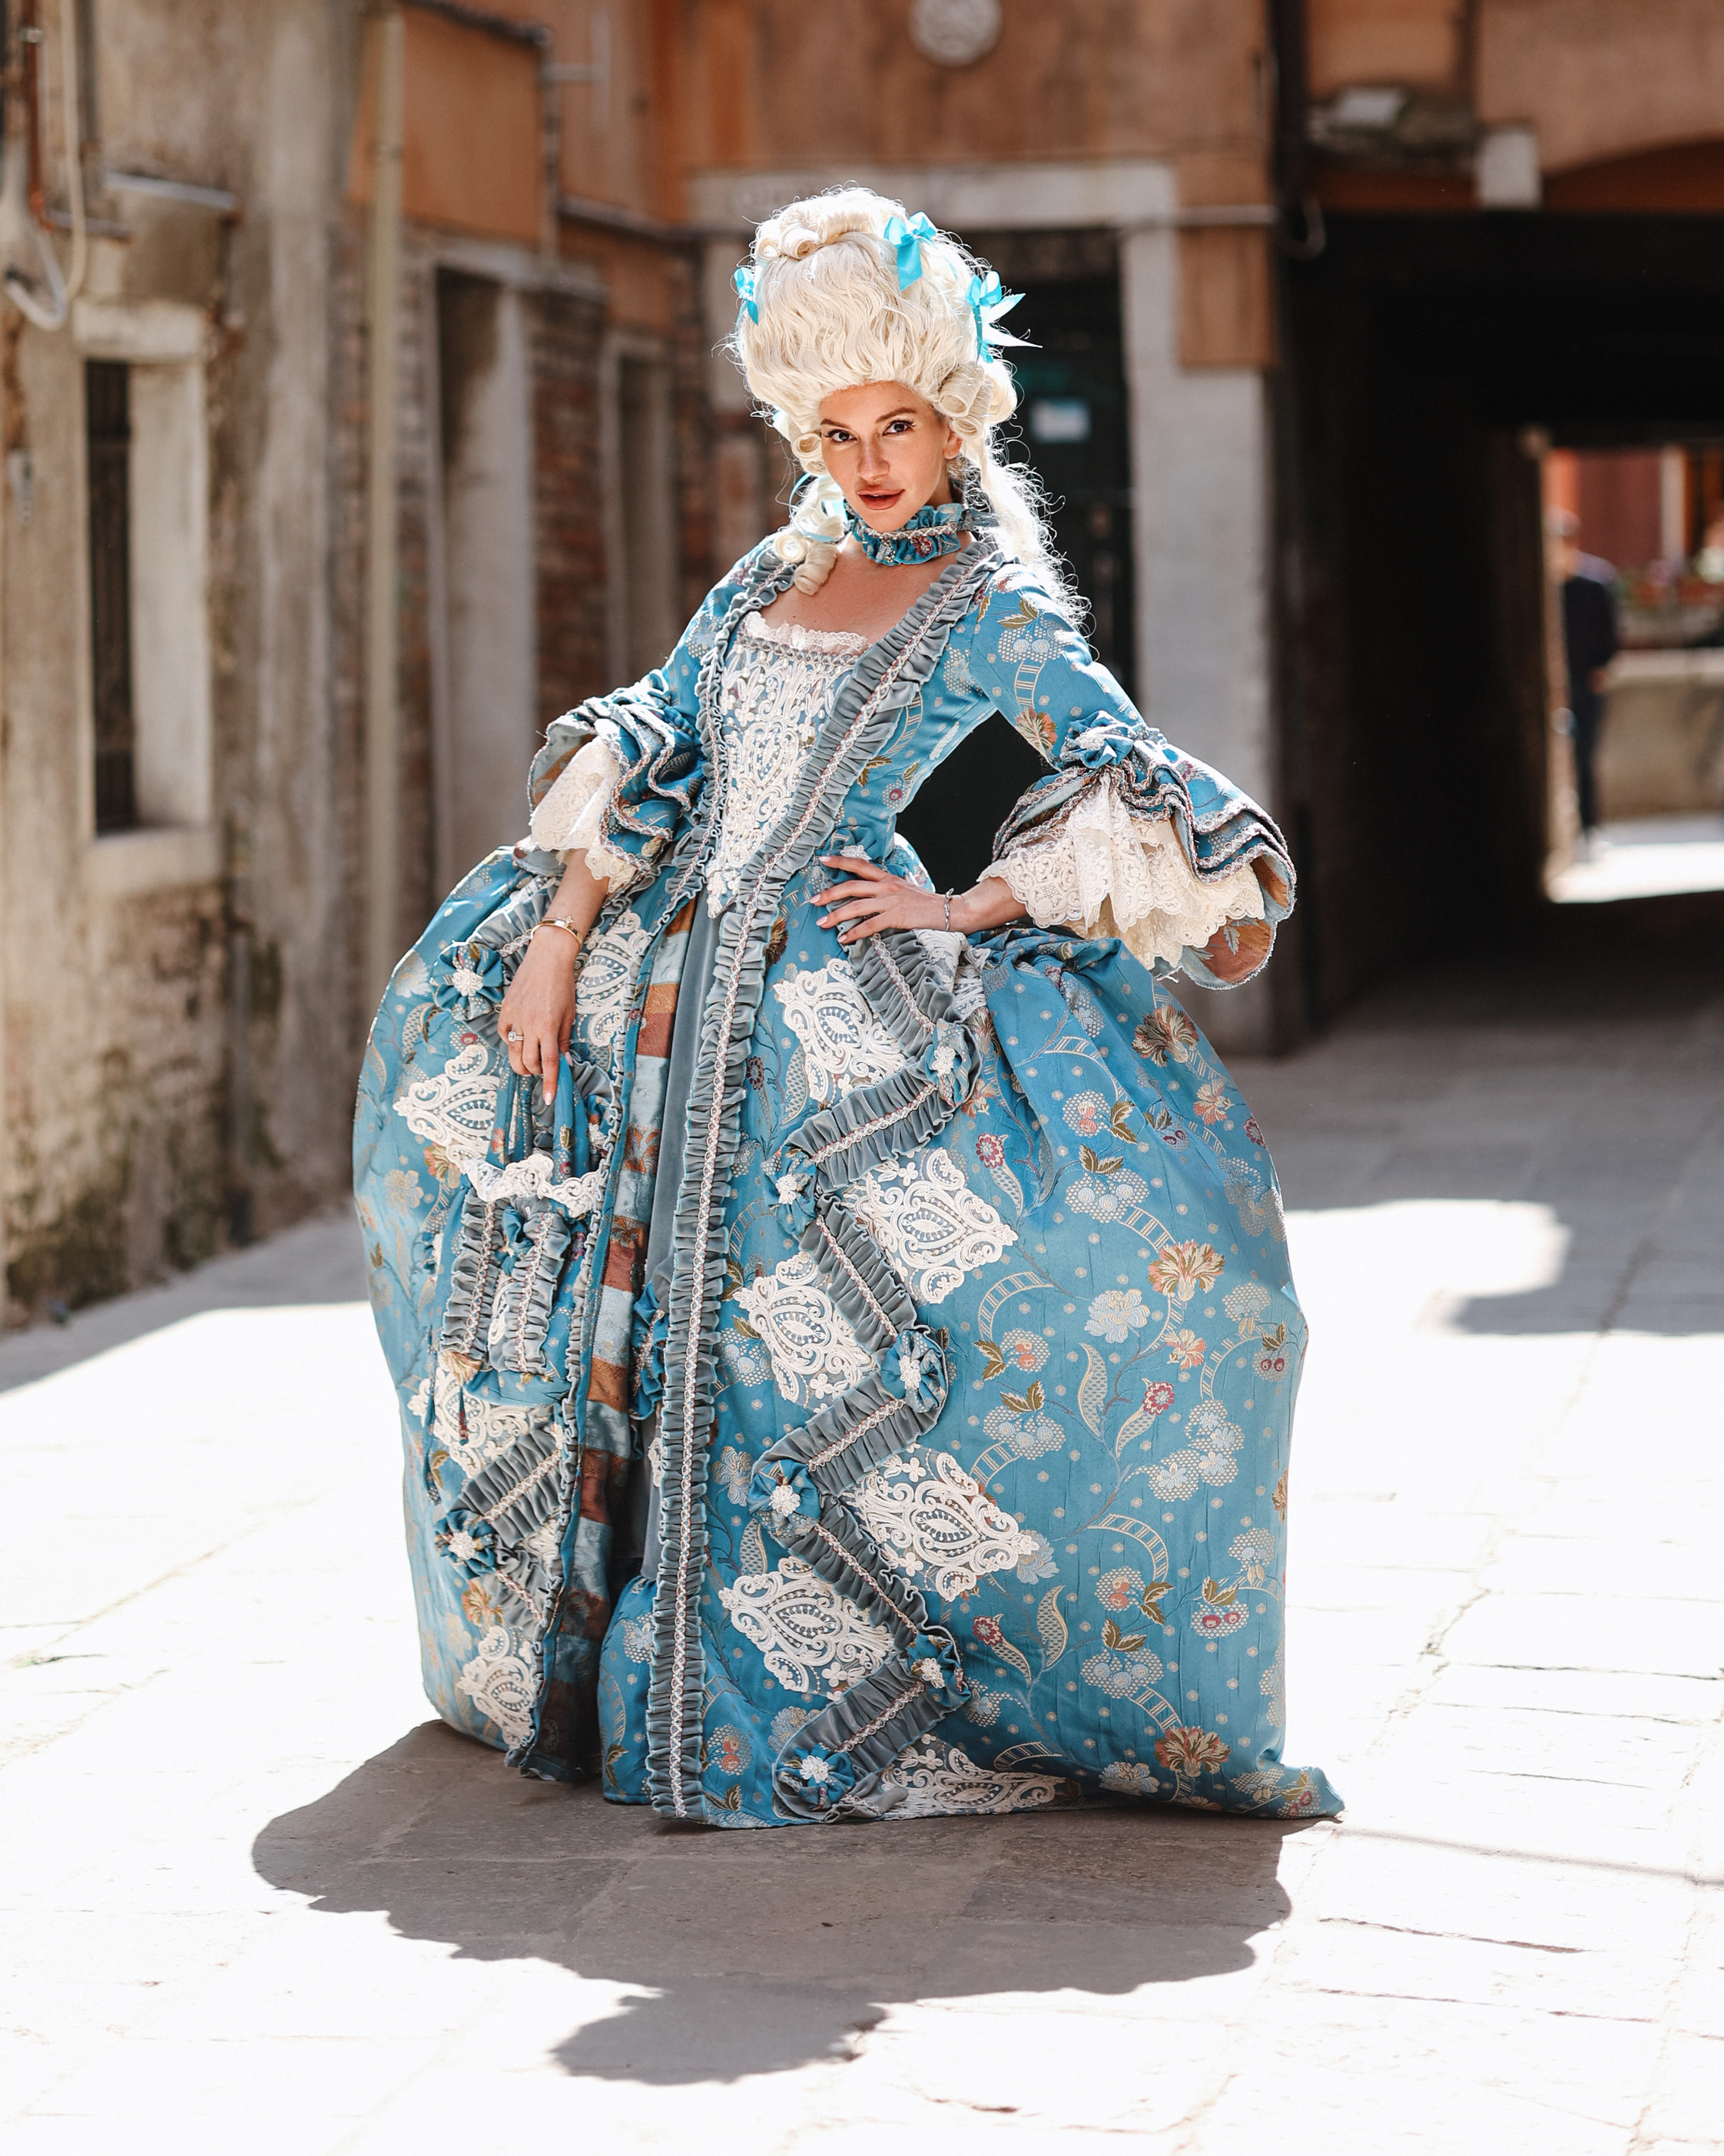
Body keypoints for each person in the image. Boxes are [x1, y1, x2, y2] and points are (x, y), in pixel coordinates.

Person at [354, 190, 1338, 1827]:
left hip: (845, 1064)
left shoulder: (997, 608)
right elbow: (653, 746)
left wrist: (964, 903)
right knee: (614, 1337)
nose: (870, 461)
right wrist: (556, 941)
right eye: (836, 431)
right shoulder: (768, 577)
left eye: (896, 426)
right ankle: (624, 1682)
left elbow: (1112, 781)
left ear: (950, 421)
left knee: (824, 1390)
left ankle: (793, 1709)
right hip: (667, 1034)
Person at [1550, 512, 1621, 841]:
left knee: (1585, 754)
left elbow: (1610, 631)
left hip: (1586, 682)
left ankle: (1589, 827)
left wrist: (1602, 668)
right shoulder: (1545, 587)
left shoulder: (1595, 582)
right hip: (1554, 686)